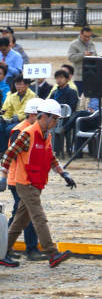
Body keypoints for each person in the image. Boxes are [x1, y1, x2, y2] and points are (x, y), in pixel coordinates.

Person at [0, 99, 75, 268]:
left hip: (36, 183)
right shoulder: (27, 134)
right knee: (39, 217)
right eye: (55, 119)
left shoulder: (46, 135)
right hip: (25, 183)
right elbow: (8, 155)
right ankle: (52, 253)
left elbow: (51, 157)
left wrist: (64, 173)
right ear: (45, 117)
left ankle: (2, 251)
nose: (56, 122)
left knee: (19, 222)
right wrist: (3, 176)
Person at [5, 97, 43, 260]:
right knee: (27, 213)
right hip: (18, 179)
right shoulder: (21, 130)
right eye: (40, 114)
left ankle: (5, 247)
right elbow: (13, 156)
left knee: (19, 215)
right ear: (32, 114)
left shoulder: (35, 129)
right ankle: (31, 249)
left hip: (27, 179)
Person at [0, 75, 33, 152]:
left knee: (9, 129)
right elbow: (9, 110)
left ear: (27, 85)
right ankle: (3, 150)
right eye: (16, 84)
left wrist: (16, 118)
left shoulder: (32, 95)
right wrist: (4, 118)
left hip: (26, 120)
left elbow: (26, 112)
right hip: (13, 120)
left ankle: (11, 150)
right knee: (1, 127)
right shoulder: (13, 96)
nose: (18, 86)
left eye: (20, 84)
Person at [67, 25, 97, 93]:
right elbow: (70, 57)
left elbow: (96, 56)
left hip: (92, 76)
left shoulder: (92, 44)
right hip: (80, 77)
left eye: (89, 36)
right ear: (80, 34)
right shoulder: (74, 44)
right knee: (81, 98)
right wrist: (83, 55)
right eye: (85, 36)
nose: (87, 38)